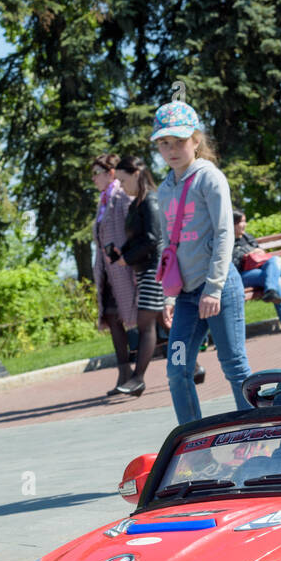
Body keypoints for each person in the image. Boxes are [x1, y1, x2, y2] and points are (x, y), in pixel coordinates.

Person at [152, 100, 251, 424]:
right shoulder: (165, 188)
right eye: (164, 143)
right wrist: (169, 295)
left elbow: (225, 233)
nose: (171, 150)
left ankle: (257, 434)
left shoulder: (210, 178)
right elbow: (169, 245)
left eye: (179, 141)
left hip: (219, 291)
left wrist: (214, 288)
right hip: (186, 297)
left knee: (234, 366)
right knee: (177, 369)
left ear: (196, 140)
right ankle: (191, 441)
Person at [112, 155, 164, 396]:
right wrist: (122, 252)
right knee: (164, 323)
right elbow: (138, 238)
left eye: (123, 180)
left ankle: (138, 378)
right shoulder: (136, 204)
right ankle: (194, 368)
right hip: (145, 270)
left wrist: (127, 257)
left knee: (146, 324)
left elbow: (153, 239)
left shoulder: (150, 201)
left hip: (155, 270)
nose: (121, 186)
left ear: (136, 174)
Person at [90, 153, 138, 394]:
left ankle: (190, 364)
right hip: (108, 273)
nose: (93, 178)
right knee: (113, 318)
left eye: (96, 173)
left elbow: (135, 227)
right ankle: (125, 374)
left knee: (155, 319)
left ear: (110, 172)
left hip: (126, 270)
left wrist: (127, 255)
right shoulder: (103, 201)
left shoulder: (121, 195)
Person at [231, 209, 281, 332]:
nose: (244, 225)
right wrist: (247, 253)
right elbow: (233, 264)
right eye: (241, 222)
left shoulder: (247, 237)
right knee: (276, 280)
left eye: (245, 221)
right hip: (242, 275)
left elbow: (261, 255)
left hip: (260, 270)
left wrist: (258, 252)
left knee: (274, 260)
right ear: (233, 224)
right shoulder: (228, 241)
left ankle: (270, 290)